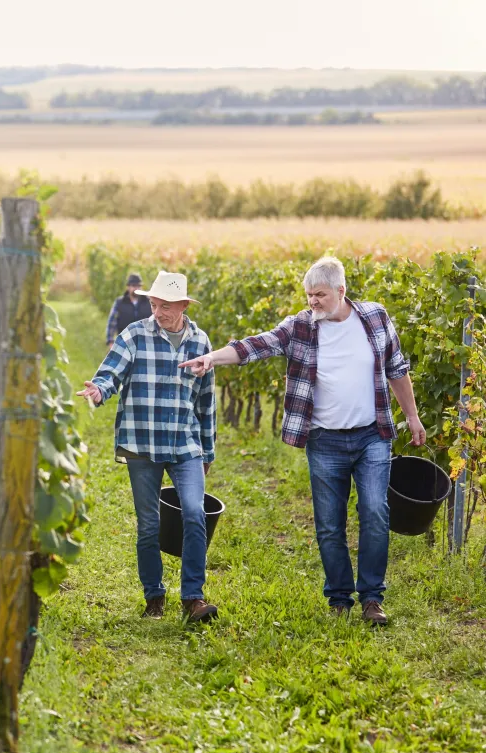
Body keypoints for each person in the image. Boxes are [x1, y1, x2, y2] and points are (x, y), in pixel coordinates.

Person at [180, 257, 425, 626]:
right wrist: (213, 358)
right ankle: (339, 598)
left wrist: (412, 415)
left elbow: (397, 370)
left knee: (375, 512)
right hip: (324, 440)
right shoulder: (300, 327)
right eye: (309, 295)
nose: (313, 302)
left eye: (320, 295)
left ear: (341, 291)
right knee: (329, 523)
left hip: (371, 436)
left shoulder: (374, 318)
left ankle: (372, 599)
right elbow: (256, 346)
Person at [78, 271, 219, 623]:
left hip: (185, 444)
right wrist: (98, 390)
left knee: (193, 514)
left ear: (184, 305)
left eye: (166, 306)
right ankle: (154, 596)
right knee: (149, 525)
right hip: (142, 442)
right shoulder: (135, 335)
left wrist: (208, 451)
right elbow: (111, 372)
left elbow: (206, 402)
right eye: (154, 304)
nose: (158, 312)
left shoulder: (200, 342)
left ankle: (193, 598)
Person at [105, 273, 152, 348]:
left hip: (146, 344)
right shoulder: (119, 302)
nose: (136, 289)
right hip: (124, 343)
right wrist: (110, 341)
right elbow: (112, 322)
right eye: (133, 286)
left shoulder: (149, 302)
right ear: (128, 287)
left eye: (138, 286)